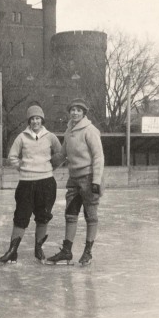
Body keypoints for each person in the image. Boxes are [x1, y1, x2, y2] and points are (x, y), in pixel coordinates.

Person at [0, 104, 62, 264]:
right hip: (26, 183)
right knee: (21, 216)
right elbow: (12, 156)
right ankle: (12, 251)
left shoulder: (50, 137)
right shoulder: (21, 137)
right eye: (32, 119)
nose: (35, 121)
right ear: (29, 121)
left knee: (42, 217)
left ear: (42, 120)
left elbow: (60, 154)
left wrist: (50, 167)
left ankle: (38, 248)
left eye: (38, 118)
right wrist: (23, 167)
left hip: (46, 183)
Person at [47, 98, 104, 265]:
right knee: (70, 214)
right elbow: (63, 154)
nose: (75, 112)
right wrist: (46, 165)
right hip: (74, 178)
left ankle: (88, 252)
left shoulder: (90, 130)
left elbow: (98, 156)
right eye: (72, 110)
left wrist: (96, 180)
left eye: (79, 110)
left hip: (89, 178)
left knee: (90, 215)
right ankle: (67, 251)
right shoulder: (69, 130)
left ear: (84, 113)